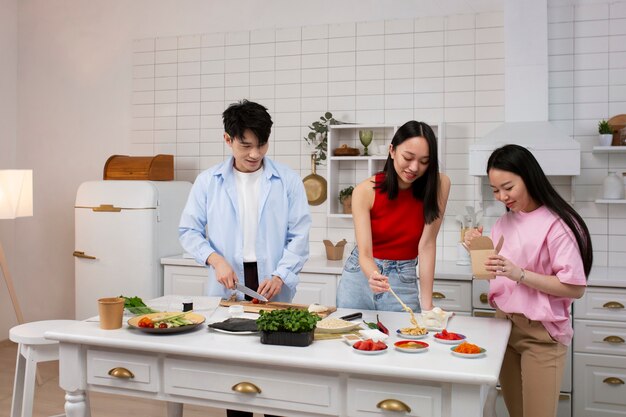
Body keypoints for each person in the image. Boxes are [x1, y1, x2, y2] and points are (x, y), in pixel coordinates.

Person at [178, 99, 311, 417]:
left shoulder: (287, 180)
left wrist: (281, 275)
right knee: (237, 383)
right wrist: (214, 258)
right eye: (245, 144)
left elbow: (300, 236)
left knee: (278, 382)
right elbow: (188, 231)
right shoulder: (209, 181)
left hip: (273, 284)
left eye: (262, 144)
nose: (255, 154)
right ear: (228, 139)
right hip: (229, 286)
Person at [464, 144, 591, 417]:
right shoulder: (503, 223)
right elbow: (492, 274)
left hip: (541, 335)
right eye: (495, 190)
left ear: (528, 176)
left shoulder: (559, 224)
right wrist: (475, 248)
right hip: (503, 329)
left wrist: (519, 273)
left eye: (508, 187)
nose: (501, 196)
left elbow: (575, 288)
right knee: (515, 413)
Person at [336, 120, 450, 312]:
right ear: (392, 150)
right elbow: (364, 253)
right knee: (352, 338)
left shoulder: (440, 185)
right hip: (361, 276)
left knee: (406, 339)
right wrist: (374, 275)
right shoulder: (365, 191)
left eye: (424, 161)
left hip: (403, 275)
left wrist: (428, 305)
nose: (414, 168)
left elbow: (427, 244)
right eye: (408, 157)